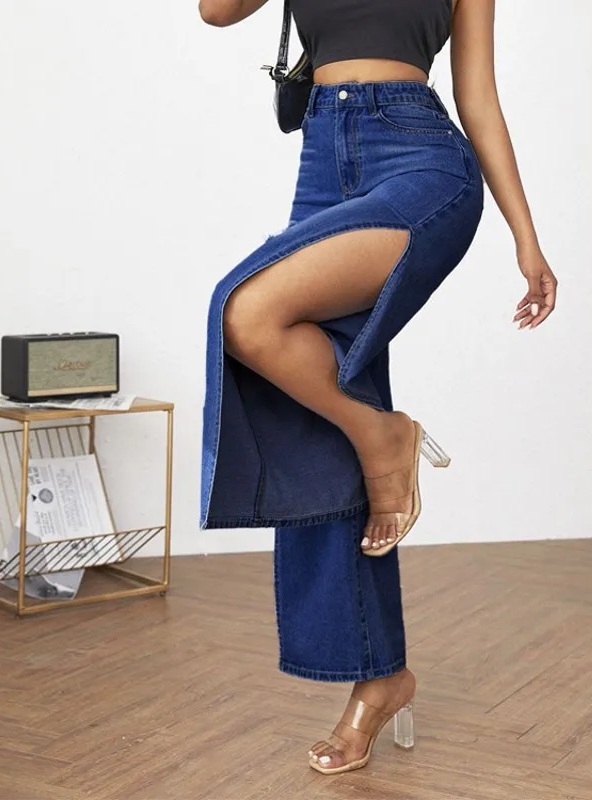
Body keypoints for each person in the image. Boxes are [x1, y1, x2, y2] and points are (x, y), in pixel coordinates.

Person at [197, 0, 558, 775]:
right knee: (311, 400)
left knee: (244, 310)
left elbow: (479, 98)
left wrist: (526, 239)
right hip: (324, 160)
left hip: (421, 159)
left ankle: (382, 438)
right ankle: (379, 675)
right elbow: (215, 11)